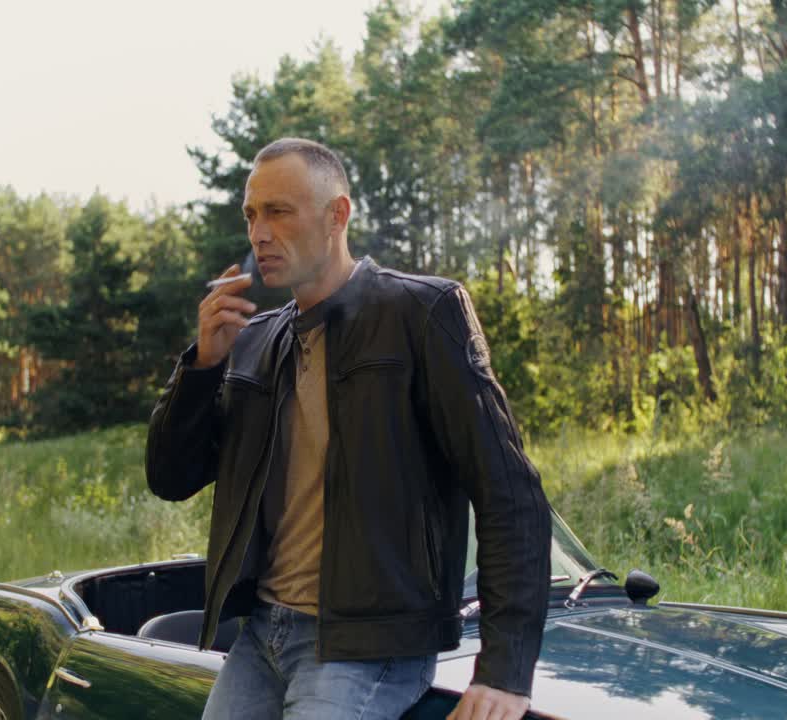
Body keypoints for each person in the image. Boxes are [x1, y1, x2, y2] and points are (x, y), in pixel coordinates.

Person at [146, 137, 551, 720]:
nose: (259, 233)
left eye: (278, 211)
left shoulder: (422, 313)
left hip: (370, 646)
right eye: (251, 214)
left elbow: (510, 493)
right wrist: (202, 368)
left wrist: (506, 671)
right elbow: (170, 476)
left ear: (338, 215)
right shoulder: (254, 342)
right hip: (262, 636)